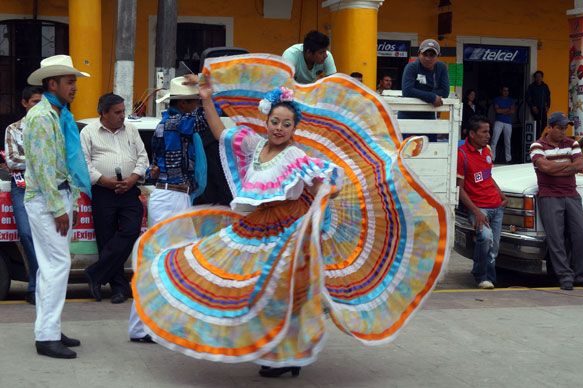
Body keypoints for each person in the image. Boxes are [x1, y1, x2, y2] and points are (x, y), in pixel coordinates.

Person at [131, 55, 450, 378]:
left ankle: (285, 356)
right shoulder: (255, 146)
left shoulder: (297, 156)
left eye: (286, 124)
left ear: (295, 128)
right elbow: (218, 131)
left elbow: (329, 184)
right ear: (267, 121)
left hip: (291, 229)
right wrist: (207, 99)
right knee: (252, 287)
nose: (279, 128)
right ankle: (275, 352)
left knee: (284, 293)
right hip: (257, 225)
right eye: (275, 122)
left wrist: (319, 207)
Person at [127, 76, 211, 343]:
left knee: (174, 262)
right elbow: (209, 116)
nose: (198, 104)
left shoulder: (170, 122)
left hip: (173, 196)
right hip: (172, 197)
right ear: (184, 103)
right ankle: (143, 326)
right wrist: (209, 92)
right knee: (165, 262)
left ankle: (156, 324)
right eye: (195, 101)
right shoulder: (179, 123)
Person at [22, 54, 92, 359]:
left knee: (52, 267)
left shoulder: (55, 114)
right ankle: (47, 336)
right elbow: (43, 167)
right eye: (70, 81)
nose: (74, 87)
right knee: (56, 267)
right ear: (53, 83)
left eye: (74, 81)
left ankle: (49, 327)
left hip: (56, 197)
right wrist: (58, 208)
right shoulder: (40, 117)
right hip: (47, 200)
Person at [80, 93, 149, 304]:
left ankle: (96, 272)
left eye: (123, 111)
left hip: (129, 189)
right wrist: (105, 181)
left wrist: (133, 178)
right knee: (107, 239)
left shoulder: (131, 130)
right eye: (117, 112)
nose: (122, 116)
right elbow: (85, 164)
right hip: (102, 191)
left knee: (130, 230)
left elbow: (143, 157)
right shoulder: (88, 132)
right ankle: (119, 288)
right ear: (104, 113)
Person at [529, 112, 583, 290]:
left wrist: (554, 168)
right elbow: (544, 167)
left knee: (581, 234)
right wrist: (568, 166)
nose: (563, 132)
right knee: (556, 238)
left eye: (565, 128)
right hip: (549, 196)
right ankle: (565, 276)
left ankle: (580, 275)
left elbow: (579, 165)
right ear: (549, 128)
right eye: (559, 128)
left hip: (571, 195)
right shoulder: (537, 145)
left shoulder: (572, 143)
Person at [457, 115, 507, 289]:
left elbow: (488, 176)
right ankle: (481, 276)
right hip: (479, 208)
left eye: (489, 131)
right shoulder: (461, 155)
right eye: (484, 132)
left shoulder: (487, 150)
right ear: (472, 133)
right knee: (485, 238)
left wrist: (501, 196)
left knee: (494, 247)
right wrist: (476, 211)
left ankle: (489, 278)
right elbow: (459, 188)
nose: (488, 135)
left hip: (496, 206)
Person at [4, 86, 43, 305]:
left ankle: (35, 286)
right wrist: (40, 161)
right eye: (35, 102)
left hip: (47, 187)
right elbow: (11, 161)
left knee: (44, 236)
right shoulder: (14, 129)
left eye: (41, 102)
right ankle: (36, 283)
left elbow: (58, 160)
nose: (39, 106)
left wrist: (28, 161)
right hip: (21, 187)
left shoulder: (51, 127)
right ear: (25, 103)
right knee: (27, 234)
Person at [398, 39, 450, 142]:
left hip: (428, 115)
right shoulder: (411, 67)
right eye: (425, 54)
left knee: (429, 150)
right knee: (406, 152)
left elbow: (445, 92)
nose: (428, 58)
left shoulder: (441, 67)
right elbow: (407, 91)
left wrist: (419, 92)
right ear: (419, 54)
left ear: (438, 56)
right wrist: (431, 96)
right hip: (408, 116)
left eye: (432, 55)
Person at [490, 86, 515, 163]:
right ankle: (492, 158)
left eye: (507, 91)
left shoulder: (511, 100)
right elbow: (497, 111)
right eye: (504, 90)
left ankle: (508, 159)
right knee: (494, 140)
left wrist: (502, 110)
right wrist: (507, 109)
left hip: (508, 123)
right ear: (501, 91)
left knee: (507, 141)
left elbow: (512, 111)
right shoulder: (497, 99)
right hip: (499, 121)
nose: (506, 92)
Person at [525, 70, 551, 138]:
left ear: (542, 77)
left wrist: (548, 106)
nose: (538, 78)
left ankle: (543, 137)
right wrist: (532, 106)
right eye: (536, 77)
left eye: (539, 76)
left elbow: (548, 97)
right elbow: (528, 98)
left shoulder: (545, 86)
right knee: (537, 124)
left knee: (544, 124)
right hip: (535, 108)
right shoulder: (531, 86)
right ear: (534, 78)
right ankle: (537, 138)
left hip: (543, 108)